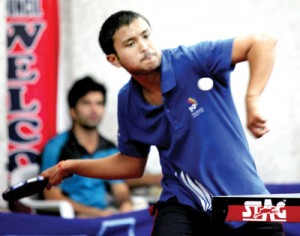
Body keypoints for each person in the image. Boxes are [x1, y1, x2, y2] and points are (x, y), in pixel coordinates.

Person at [41, 10, 283, 235]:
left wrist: (252, 98)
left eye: (145, 36)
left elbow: (262, 42)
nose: (144, 47)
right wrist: (70, 166)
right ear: (114, 59)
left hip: (247, 200)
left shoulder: (191, 60)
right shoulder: (128, 101)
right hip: (185, 201)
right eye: (130, 43)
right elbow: (130, 164)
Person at [40, 76, 133, 218]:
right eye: (86, 103)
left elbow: (119, 188)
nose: (94, 109)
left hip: (104, 218)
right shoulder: (56, 147)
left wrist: (125, 203)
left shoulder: (109, 148)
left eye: (99, 103)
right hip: (71, 221)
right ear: (72, 111)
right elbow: (52, 196)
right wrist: (96, 214)